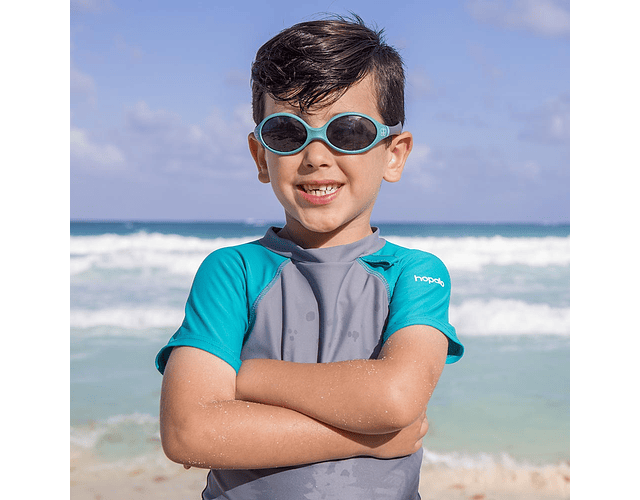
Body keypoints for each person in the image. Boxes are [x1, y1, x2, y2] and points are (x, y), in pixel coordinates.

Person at [156, 15, 464, 499]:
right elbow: (188, 433)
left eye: (349, 131)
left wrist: (246, 376)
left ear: (394, 154)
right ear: (261, 157)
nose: (316, 156)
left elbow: (395, 397)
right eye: (286, 132)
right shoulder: (232, 272)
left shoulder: (414, 274)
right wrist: (368, 440)